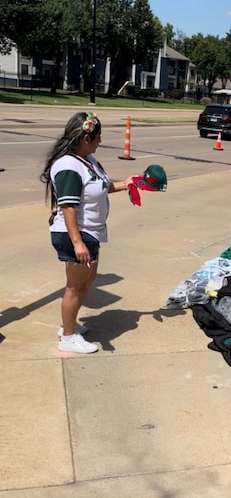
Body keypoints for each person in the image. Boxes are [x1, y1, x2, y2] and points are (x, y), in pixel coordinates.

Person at [40, 112, 136, 354]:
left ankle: (70, 326)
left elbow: (101, 187)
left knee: (87, 281)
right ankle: (67, 336)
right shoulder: (68, 166)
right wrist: (78, 243)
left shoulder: (88, 160)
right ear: (85, 138)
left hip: (91, 232)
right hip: (75, 234)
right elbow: (68, 206)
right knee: (75, 286)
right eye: (97, 137)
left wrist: (128, 183)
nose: (99, 141)